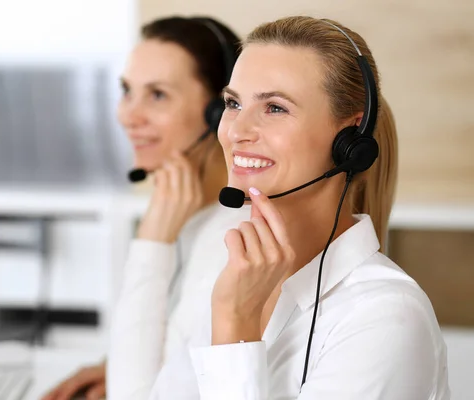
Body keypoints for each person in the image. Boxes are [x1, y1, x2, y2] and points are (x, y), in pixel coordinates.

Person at [111, 16, 450, 399]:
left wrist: (234, 326)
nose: (236, 130)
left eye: (274, 108)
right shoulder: (241, 277)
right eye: (233, 103)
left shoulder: (387, 318)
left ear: (349, 140)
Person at [41, 16, 242, 400]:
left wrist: (152, 242)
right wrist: (113, 364)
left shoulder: (231, 239)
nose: (128, 116)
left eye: (158, 95)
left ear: (220, 111)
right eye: (126, 91)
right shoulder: (190, 212)